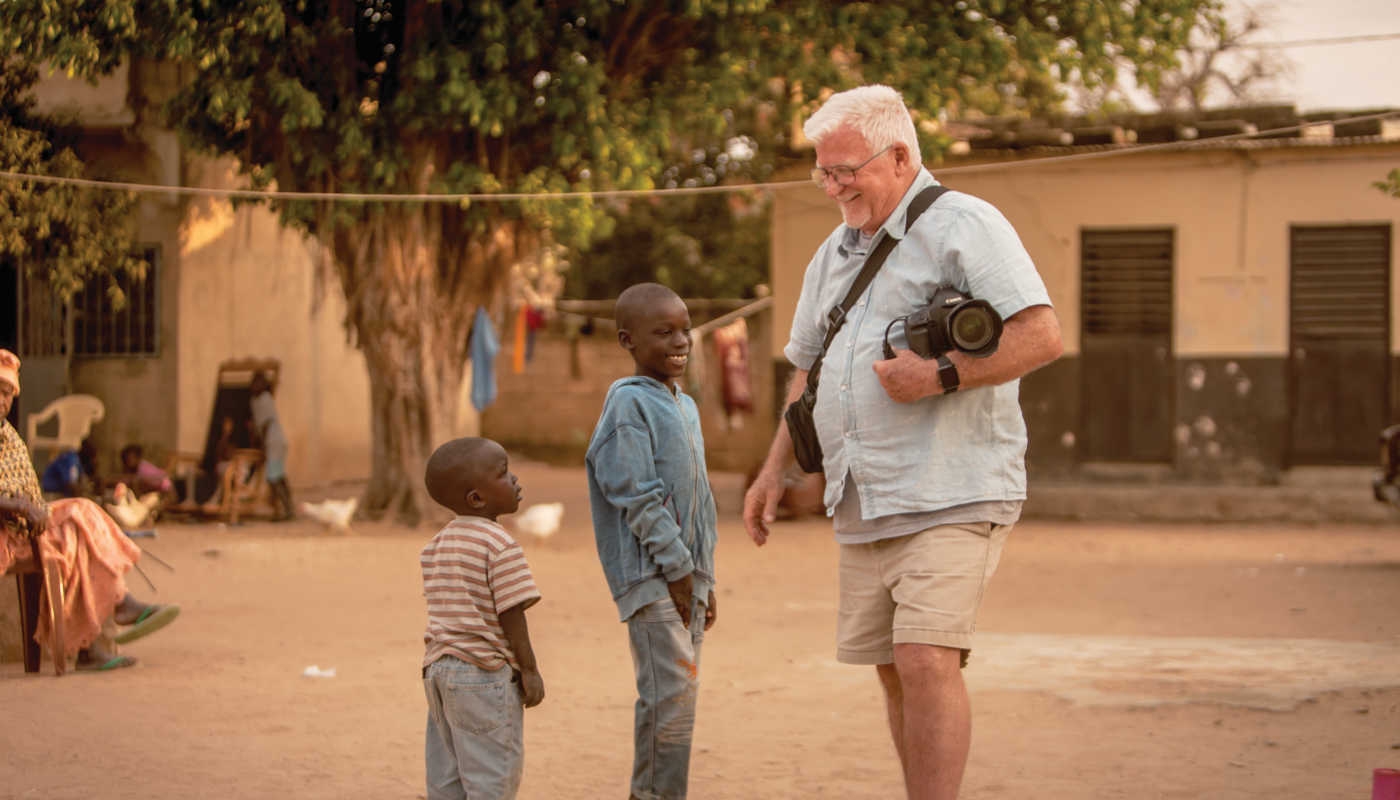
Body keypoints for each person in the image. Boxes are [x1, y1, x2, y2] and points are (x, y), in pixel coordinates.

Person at [742, 85, 1063, 800]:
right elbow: (808, 373)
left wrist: (942, 373)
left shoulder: (964, 224)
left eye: (845, 170)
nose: (833, 187)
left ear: (898, 156)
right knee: (893, 665)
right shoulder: (832, 254)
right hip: (863, 492)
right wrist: (773, 472)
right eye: (823, 172)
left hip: (952, 484)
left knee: (924, 657)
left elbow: (1042, 334)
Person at [585, 282, 719, 800]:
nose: (679, 341)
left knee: (678, 699)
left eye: (684, 329)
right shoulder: (626, 406)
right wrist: (679, 571)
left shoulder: (683, 405)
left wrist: (703, 577)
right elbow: (636, 494)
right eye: (662, 332)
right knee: (668, 701)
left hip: (687, 577)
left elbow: (698, 503)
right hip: (654, 579)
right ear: (628, 340)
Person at [0, 349, 181, 671]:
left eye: (8, 393)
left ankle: (97, 638)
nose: (3, 400)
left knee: (81, 522)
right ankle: (114, 613)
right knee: (76, 523)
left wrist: (30, 508)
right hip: (7, 534)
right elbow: (17, 499)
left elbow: (29, 491)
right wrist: (18, 505)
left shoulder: (9, 437)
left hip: (24, 530)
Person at [420, 436, 544, 800]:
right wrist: (530, 669)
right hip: (482, 675)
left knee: (448, 778)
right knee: (491, 780)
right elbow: (511, 613)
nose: (516, 480)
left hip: (438, 671)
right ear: (477, 498)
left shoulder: (437, 544)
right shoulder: (499, 544)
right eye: (504, 474)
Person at [249, 370, 293, 521]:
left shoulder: (265, 399)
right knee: (276, 475)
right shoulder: (255, 402)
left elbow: (266, 424)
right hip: (270, 441)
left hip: (274, 441)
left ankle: (285, 509)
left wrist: (262, 445)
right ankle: (283, 509)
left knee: (274, 477)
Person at [117, 442, 177, 509]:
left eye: (130, 458)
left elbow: (161, 481)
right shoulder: (132, 470)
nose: (129, 461)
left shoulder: (143, 469)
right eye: (127, 459)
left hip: (166, 492)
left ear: (137, 458)